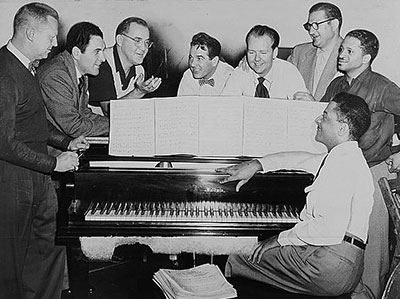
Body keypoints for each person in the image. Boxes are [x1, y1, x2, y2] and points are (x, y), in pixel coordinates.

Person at [217, 92, 374, 297]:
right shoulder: (346, 157)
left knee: (238, 256)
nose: (318, 120)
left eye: (325, 116)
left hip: (328, 264)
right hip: (347, 264)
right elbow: (299, 159)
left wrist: (278, 239)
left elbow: (326, 229)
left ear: (342, 128)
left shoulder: (341, 166)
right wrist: (257, 164)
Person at [0, 3, 89, 299]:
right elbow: (4, 143)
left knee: (48, 253)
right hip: (14, 181)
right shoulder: (4, 72)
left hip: (38, 179)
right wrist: (54, 163)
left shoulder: (28, 69)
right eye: (50, 37)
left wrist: (67, 142)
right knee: (11, 267)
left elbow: (35, 124)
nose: (54, 44)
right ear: (29, 32)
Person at [318, 29, 400, 299]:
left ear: (365, 58)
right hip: (339, 170)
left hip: (373, 171)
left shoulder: (383, 87)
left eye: (348, 51)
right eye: (341, 49)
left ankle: (372, 294)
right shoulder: (336, 86)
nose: (341, 54)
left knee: (374, 243)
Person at [38, 21, 109, 141]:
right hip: (53, 152)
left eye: (103, 51)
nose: (103, 59)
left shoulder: (81, 71)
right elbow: (74, 126)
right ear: (77, 53)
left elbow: (84, 114)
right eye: (97, 52)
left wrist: (117, 124)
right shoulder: (56, 76)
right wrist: (116, 127)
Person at [88, 17, 162, 116]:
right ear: (120, 40)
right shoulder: (102, 62)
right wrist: (139, 91)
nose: (144, 48)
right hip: (94, 128)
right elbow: (109, 110)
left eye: (146, 42)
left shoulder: (139, 70)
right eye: (137, 40)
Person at [222, 25, 307, 99]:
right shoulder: (240, 72)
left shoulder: (289, 72)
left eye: (263, 53)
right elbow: (226, 105)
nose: (257, 58)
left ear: (275, 53)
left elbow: (301, 107)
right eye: (251, 52)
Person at [288, 2, 343, 101]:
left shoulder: (351, 57)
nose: (311, 32)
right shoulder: (299, 53)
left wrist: (314, 107)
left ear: (334, 24)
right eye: (309, 26)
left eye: (316, 25)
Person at [177, 32, 233, 96]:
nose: (192, 64)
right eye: (191, 58)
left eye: (199, 58)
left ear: (214, 61)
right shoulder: (188, 76)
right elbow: (183, 104)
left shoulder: (230, 77)